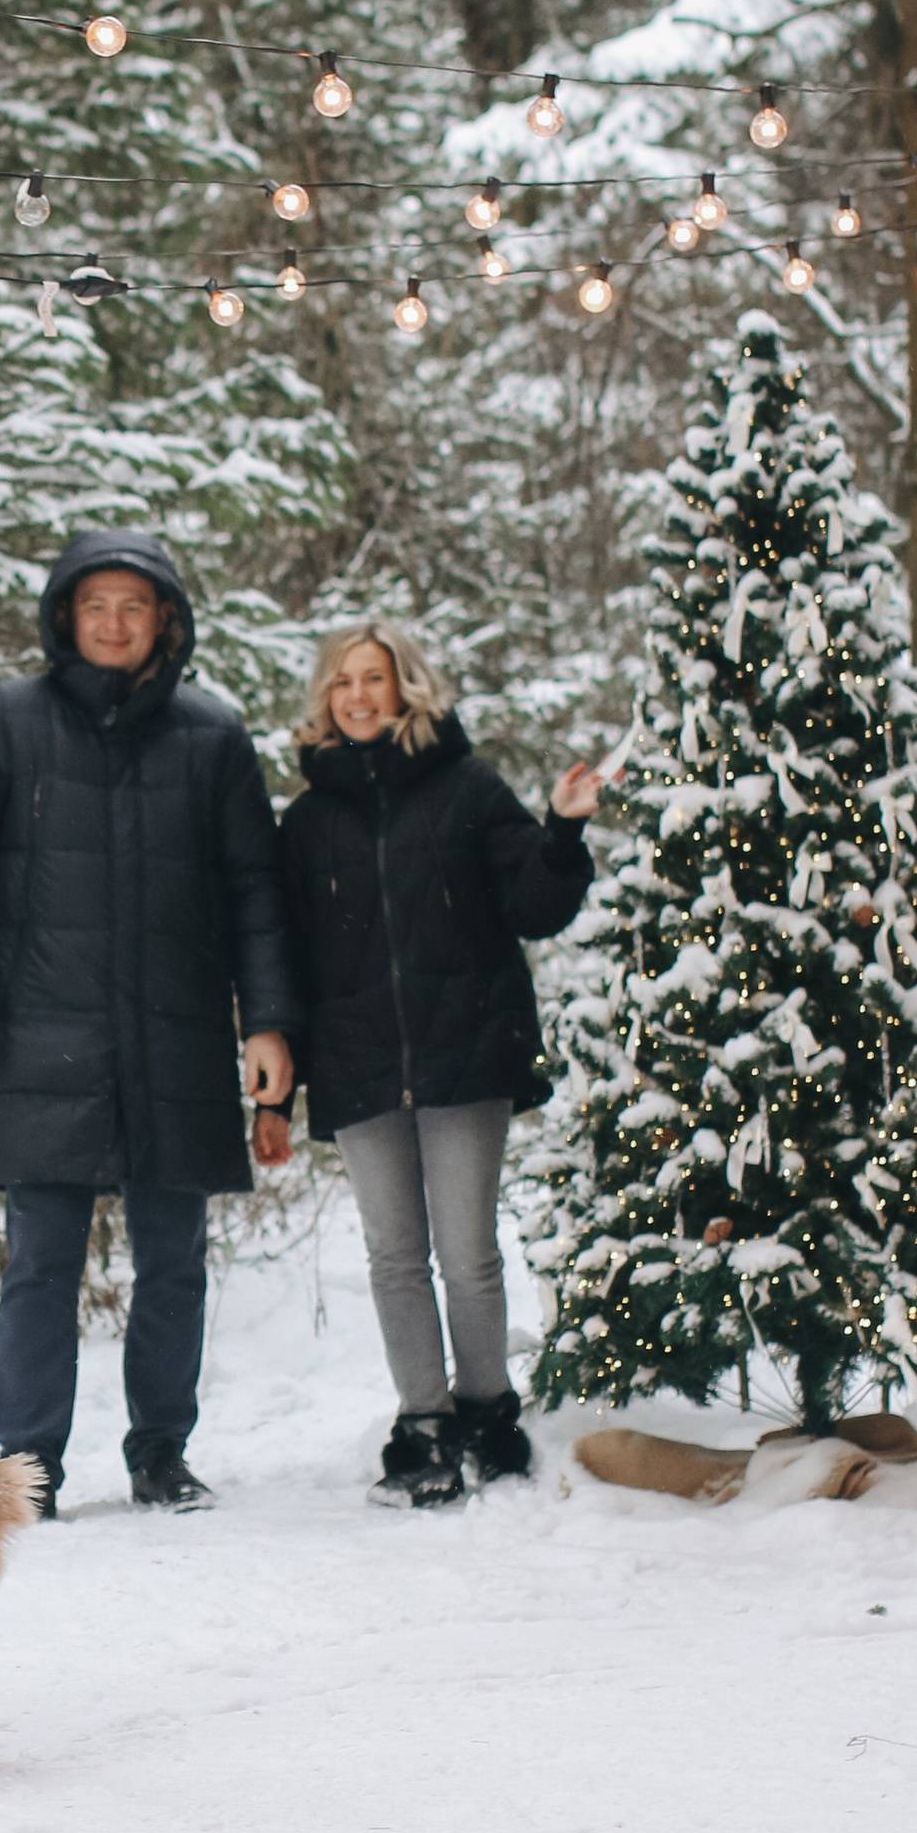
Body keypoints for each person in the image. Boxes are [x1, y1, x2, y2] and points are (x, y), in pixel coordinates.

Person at [0, 528, 297, 1516]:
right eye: (95, 605)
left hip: (178, 1036)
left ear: (165, 618)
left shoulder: (211, 735)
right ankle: (28, 1465)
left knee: (173, 1258)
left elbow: (257, 893)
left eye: (134, 605)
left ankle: (161, 1450)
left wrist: (270, 1023)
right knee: (39, 1261)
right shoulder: (6, 722)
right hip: (41, 1033)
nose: (114, 622)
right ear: (65, 617)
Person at [276, 622, 602, 1508]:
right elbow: (283, 952)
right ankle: (423, 1420)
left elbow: (534, 905)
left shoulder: (467, 790)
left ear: (407, 688)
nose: (359, 695)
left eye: (375, 678)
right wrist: (279, 1057)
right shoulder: (305, 823)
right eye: (344, 681)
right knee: (393, 1255)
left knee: (467, 1253)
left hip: (468, 1050)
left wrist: (563, 833)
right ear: (326, 698)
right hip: (355, 1058)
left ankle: (489, 1409)